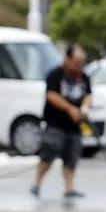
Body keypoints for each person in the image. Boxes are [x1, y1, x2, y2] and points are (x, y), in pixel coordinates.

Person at [31, 43, 91, 199]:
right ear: (67, 59)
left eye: (81, 62)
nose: (79, 66)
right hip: (55, 122)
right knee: (49, 152)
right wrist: (70, 109)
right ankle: (37, 183)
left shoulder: (83, 77)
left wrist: (84, 109)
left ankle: (69, 188)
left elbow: (88, 95)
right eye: (76, 62)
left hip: (74, 125)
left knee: (72, 156)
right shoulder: (55, 75)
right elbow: (51, 95)